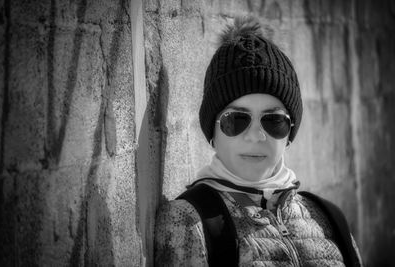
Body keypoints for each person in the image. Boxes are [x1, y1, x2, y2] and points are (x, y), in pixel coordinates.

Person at [154, 16, 362, 266]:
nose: (255, 135)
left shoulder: (328, 218)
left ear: (290, 133)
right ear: (212, 132)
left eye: (273, 120)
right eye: (236, 120)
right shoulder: (188, 221)